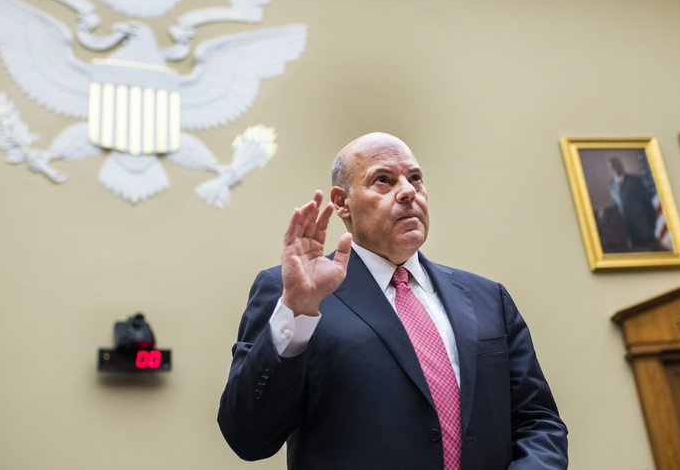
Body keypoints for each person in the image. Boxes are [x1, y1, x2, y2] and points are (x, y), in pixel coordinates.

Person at [218, 132, 568, 469]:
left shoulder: (488, 297)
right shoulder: (294, 292)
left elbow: (539, 423)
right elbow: (248, 438)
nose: (407, 192)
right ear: (342, 202)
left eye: (415, 178)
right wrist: (297, 314)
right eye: (383, 180)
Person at [606, 156, 659, 252]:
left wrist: (652, 225)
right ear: (609, 169)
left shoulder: (635, 180)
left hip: (644, 227)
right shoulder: (612, 186)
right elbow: (617, 206)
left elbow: (648, 203)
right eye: (612, 167)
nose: (615, 168)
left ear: (622, 166)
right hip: (629, 231)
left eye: (617, 165)